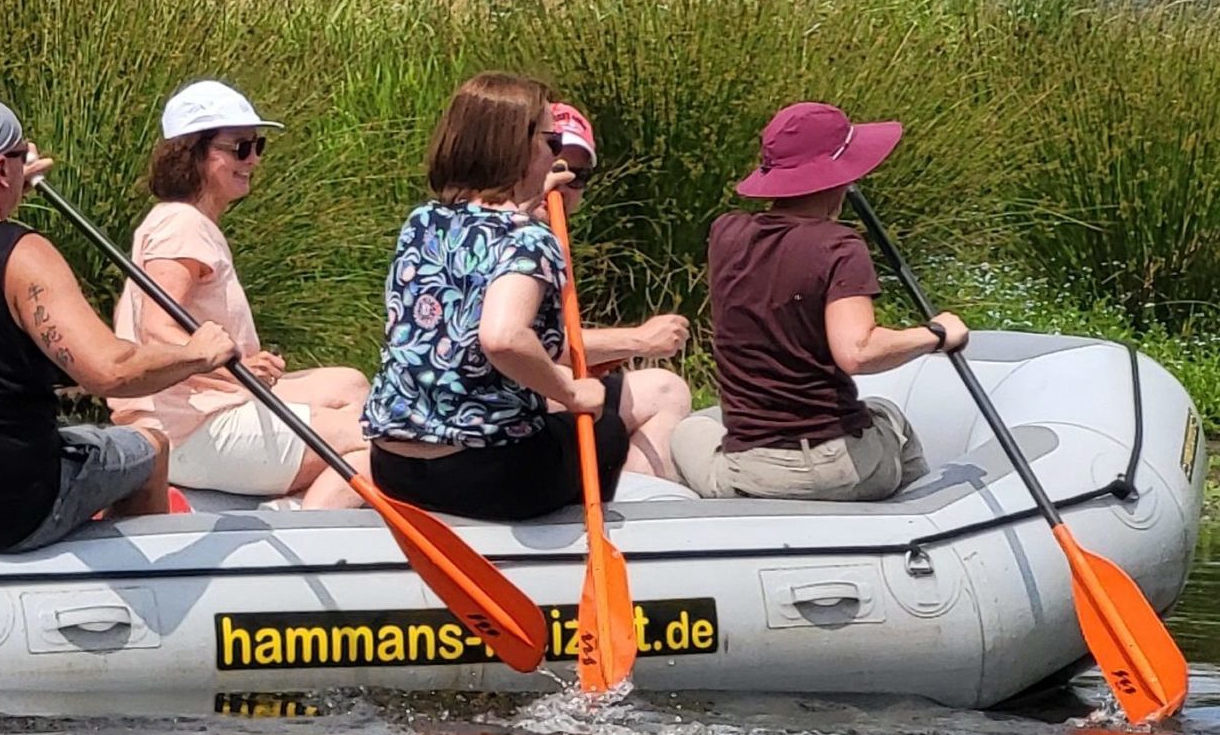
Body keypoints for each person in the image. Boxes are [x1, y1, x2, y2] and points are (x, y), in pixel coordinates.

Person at [0, 93, 238, 552]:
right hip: (5, 512)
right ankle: (138, 591)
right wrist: (198, 353)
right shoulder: (23, 256)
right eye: (21, 157)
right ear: (1, 169)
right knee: (151, 447)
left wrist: (8, 178)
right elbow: (111, 371)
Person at [355, 72, 695, 523]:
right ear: (517, 147)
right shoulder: (528, 239)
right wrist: (572, 392)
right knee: (606, 425)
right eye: (551, 144)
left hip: (394, 465)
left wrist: (531, 193)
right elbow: (503, 338)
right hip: (485, 474)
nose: (557, 158)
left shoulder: (423, 221)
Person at [670, 102, 964, 502]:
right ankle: (915, 524)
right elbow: (857, 352)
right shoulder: (839, 246)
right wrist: (935, 334)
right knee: (890, 418)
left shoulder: (725, 234)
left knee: (690, 430)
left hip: (751, 471)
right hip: (833, 469)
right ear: (839, 177)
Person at [110, 80, 371, 505]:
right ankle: (307, 530)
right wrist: (234, 365)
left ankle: (299, 494)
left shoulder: (182, 221)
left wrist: (240, 368)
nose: (252, 160)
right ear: (193, 153)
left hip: (207, 404)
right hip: (188, 427)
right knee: (375, 440)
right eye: (239, 148)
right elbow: (156, 328)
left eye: (257, 146)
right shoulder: (181, 226)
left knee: (351, 383)